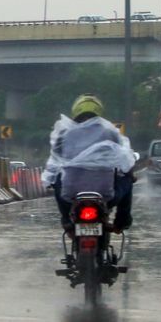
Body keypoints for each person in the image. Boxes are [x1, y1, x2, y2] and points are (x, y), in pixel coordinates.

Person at [42, 94, 136, 233]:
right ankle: (121, 223)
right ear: (98, 112)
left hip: (71, 195)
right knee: (127, 181)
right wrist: (130, 175)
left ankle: (67, 221)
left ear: (76, 112)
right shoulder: (110, 132)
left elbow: (54, 164)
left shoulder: (64, 134)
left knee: (56, 180)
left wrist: (49, 180)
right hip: (106, 195)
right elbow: (124, 160)